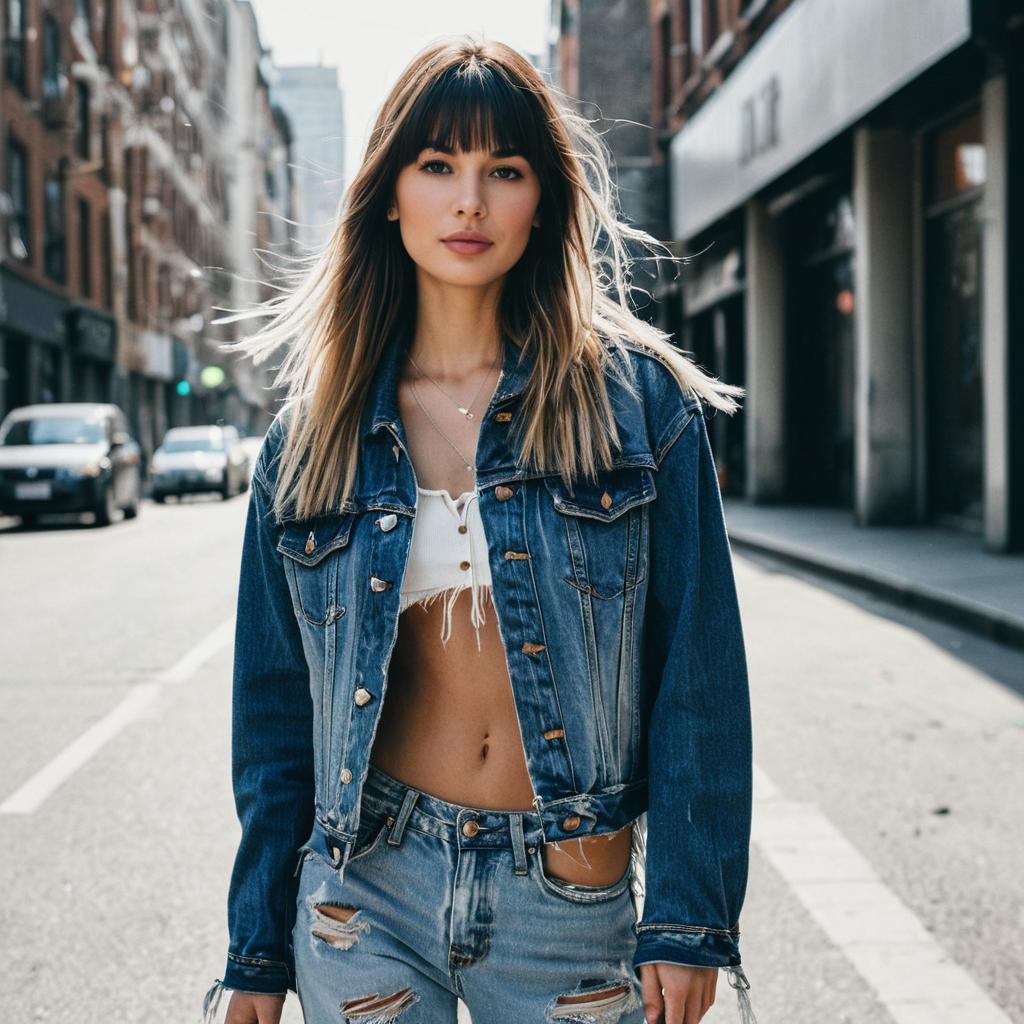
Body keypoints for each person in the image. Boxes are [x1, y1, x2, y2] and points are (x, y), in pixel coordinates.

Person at [202, 36, 757, 1024]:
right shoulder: (310, 438)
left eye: (503, 170)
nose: (469, 201)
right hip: (364, 893)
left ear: (542, 198)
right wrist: (254, 948)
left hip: (567, 895)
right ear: (388, 193)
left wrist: (686, 914)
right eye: (437, 166)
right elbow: (275, 714)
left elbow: (697, 680)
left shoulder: (637, 408)